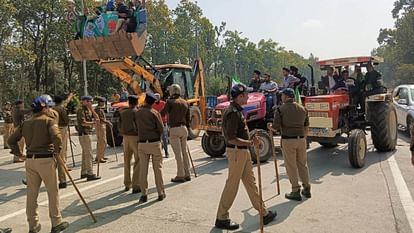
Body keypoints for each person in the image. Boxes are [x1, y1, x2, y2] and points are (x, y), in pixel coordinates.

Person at [215, 84, 277, 230]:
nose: (248, 97)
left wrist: (250, 138)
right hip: (237, 152)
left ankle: (263, 213)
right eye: (246, 95)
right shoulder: (232, 113)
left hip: (242, 152)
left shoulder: (237, 111)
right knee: (232, 185)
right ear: (240, 96)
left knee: (251, 184)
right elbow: (230, 138)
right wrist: (250, 142)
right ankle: (221, 217)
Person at [8, 96, 69, 233]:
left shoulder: (26, 123)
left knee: (31, 194)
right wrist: (57, 151)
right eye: (49, 107)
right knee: (52, 192)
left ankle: (33, 225)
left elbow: (11, 140)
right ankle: (56, 222)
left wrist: (19, 154)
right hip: (45, 159)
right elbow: (57, 138)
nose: (50, 109)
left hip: (30, 160)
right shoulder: (48, 121)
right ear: (44, 108)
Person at [268, 88, 311, 201]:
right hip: (301, 139)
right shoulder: (303, 109)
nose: (281, 97)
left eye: (282, 95)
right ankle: (307, 188)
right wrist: (303, 139)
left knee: (291, 166)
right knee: (302, 164)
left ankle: (295, 190)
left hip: (288, 140)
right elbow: (306, 127)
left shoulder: (280, 110)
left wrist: (270, 127)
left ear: (286, 97)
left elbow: (276, 128)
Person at [136, 93, 165, 203]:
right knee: (158, 169)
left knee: (143, 170)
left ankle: (144, 194)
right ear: (153, 102)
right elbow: (161, 128)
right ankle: (160, 193)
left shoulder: (138, 113)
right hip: (154, 142)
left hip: (142, 143)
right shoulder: (154, 113)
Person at [161, 84, 192, 183]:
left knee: (178, 154)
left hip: (174, 129)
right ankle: (188, 173)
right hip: (184, 128)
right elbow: (188, 118)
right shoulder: (185, 102)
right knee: (185, 152)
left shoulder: (170, 102)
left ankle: (180, 175)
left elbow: (162, 113)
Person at [119, 95, 140, 193]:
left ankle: (127, 183)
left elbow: (119, 125)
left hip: (125, 137)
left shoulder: (123, 112)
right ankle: (136, 184)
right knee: (138, 160)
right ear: (137, 102)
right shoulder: (136, 112)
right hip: (135, 137)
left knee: (127, 160)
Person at [76, 96, 101, 181]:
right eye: (89, 101)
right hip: (84, 134)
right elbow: (83, 123)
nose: (90, 103)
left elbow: (97, 118)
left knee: (85, 154)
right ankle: (90, 173)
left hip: (87, 133)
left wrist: (92, 109)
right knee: (89, 154)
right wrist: (92, 123)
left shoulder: (88, 110)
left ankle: (84, 172)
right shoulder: (81, 111)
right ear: (84, 101)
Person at [52, 93, 74, 189]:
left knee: (53, 155)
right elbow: (66, 120)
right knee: (61, 154)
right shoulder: (61, 109)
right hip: (61, 129)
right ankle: (62, 180)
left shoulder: (50, 109)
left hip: (52, 130)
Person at [95, 97, 111, 163]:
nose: (103, 103)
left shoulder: (100, 109)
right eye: (103, 102)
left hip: (102, 125)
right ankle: (99, 157)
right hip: (100, 126)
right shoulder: (98, 110)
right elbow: (101, 119)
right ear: (100, 102)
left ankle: (101, 155)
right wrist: (108, 122)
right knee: (102, 142)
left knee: (103, 142)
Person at [153, 93, 169, 158]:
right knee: (157, 139)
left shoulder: (163, 103)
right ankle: (159, 151)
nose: (156, 99)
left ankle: (166, 152)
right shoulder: (152, 105)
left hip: (163, 123)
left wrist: (168, 121)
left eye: (157, 97)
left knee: (164, 138)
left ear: (159, 98)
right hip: (156, 124)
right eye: (155, 98)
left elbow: (167, 113)